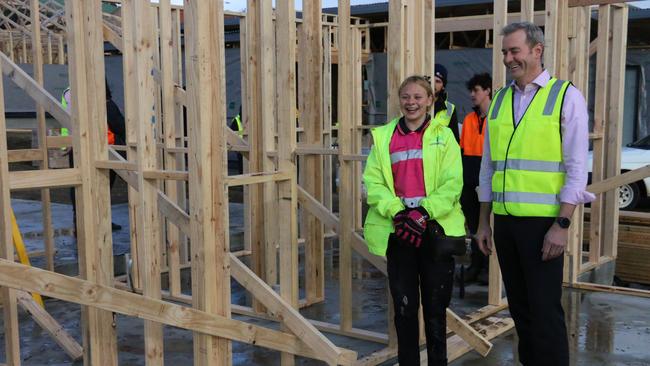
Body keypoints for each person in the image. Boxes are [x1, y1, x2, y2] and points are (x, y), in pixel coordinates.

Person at [475, 22, 594, 366]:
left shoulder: (565, 96)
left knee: (545, 315)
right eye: (504, 53)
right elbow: (488, 167)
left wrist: (562, 224)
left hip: (544, 225)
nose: (508, 58)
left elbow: (575, 168)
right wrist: (484, 222)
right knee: (522, 313)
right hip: (507, 224)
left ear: (536, 50)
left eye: (514, 51)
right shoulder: (497, 100)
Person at [363, 75, 465, 365]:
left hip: (433, 229)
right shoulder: (384, 137)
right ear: (400, 100)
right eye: (406, 97)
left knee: (435, 310)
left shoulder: (444, 136)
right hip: (400, 231)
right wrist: (398, 212)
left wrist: (422, 212)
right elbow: (374, 183)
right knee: (405, 310)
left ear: (430, 100)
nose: (411, 103)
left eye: (418, 97)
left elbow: (452, 184)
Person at [62, 81, 127, 232]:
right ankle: (99, 222)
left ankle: (81, 223)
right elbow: (121, 128)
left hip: (79, 149)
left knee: (80, 187)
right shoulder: (107, 105)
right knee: (101, 186)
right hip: (103, 152)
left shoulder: (73, 96)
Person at [458, 73, 492, 284]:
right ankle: (476, 265)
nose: (472, 94)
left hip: (488, 180)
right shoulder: (469, 120)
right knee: (474, 227)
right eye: (471, 90)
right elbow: (463, 151)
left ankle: (490, 268)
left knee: (490, 226)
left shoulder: (497, 117)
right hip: (469, 182)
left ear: (487, 90)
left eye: (476, 90)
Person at [431, 63, 459, 142]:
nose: (433, 84)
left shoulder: (450, 108)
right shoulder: (419, 104)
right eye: (431, 80)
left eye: (438, 81)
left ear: (443, 86)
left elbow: (454, 140)